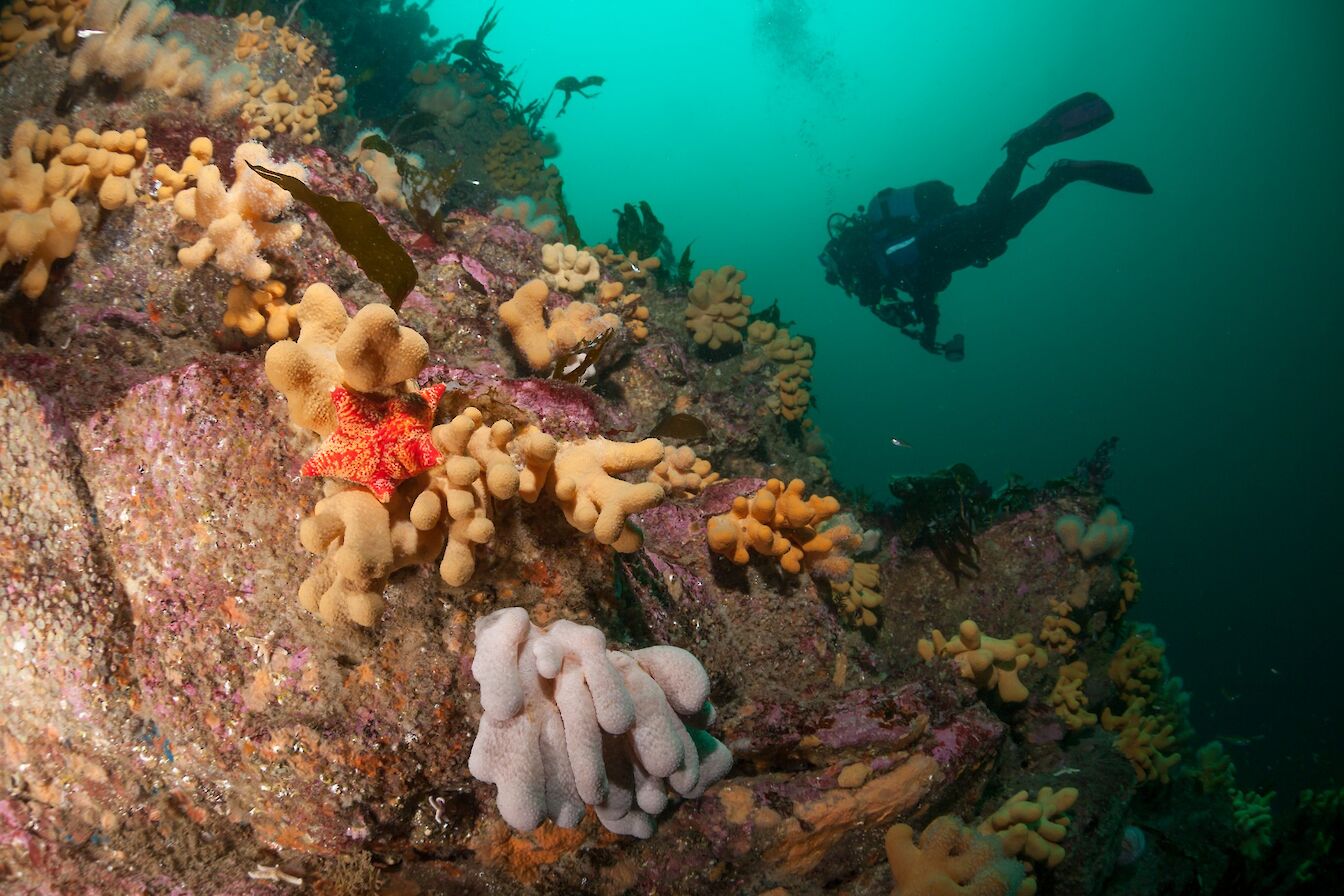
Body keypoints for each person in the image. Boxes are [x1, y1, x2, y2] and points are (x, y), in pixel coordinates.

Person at [818, 92, 1153, 361]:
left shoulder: (880, 255)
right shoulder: (891, 276)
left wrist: (965, 219)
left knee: (989, 212)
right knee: (1003, 228)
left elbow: (916, 244)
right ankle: (1061, 175)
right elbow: (924, 293)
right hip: (962, 246)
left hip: (946, 232)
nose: (856, 291)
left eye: (844, 279)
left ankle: (1020, 149)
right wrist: (929, 333)